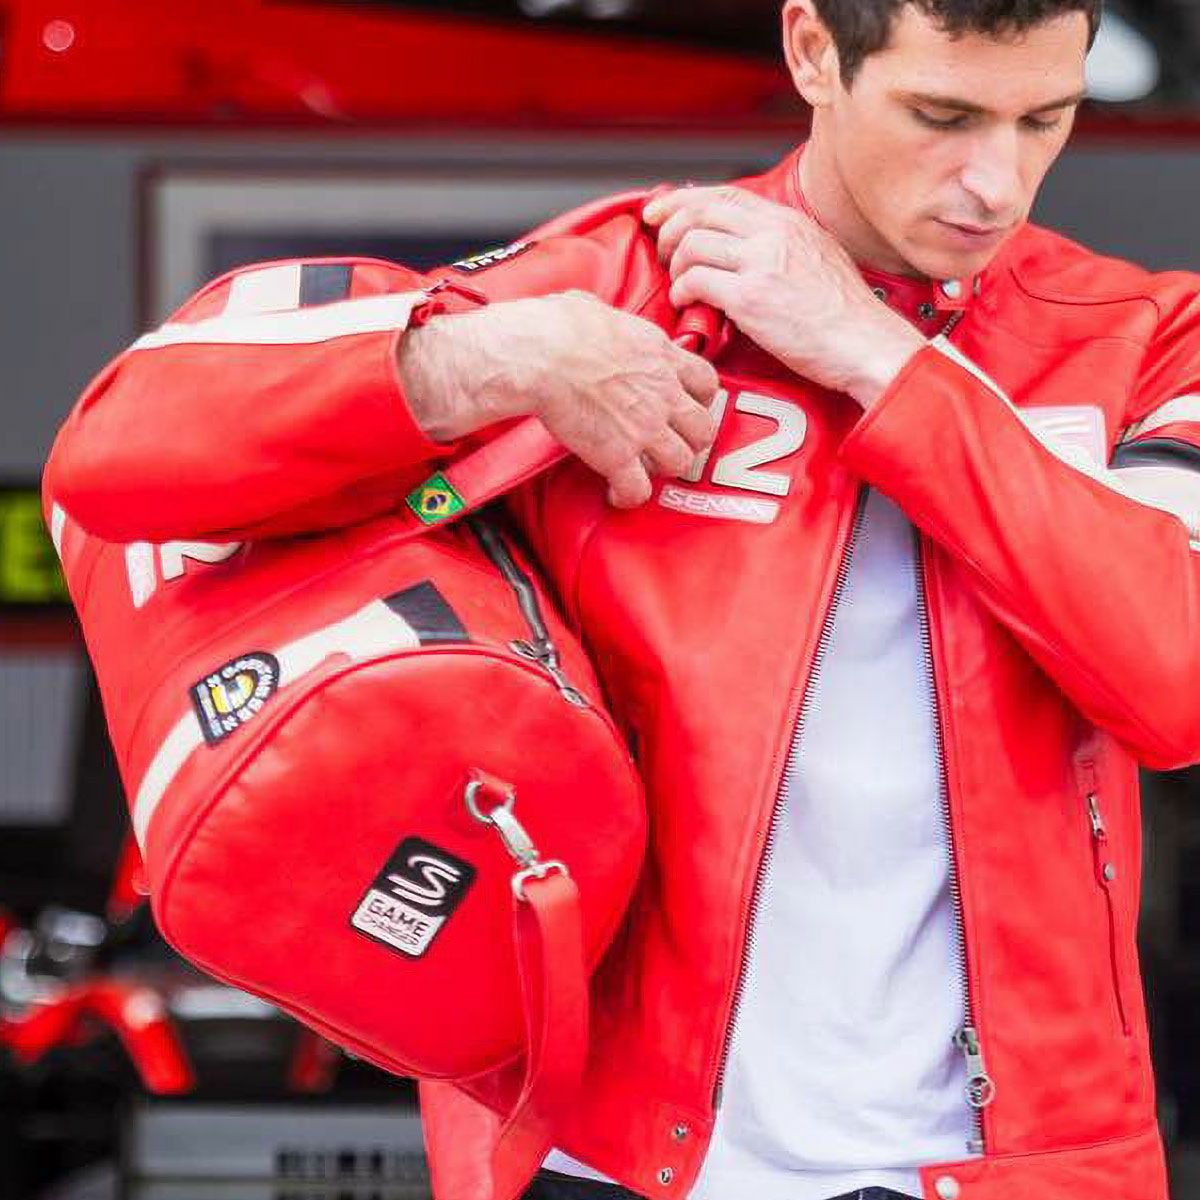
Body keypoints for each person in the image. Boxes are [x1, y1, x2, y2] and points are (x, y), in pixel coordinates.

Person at [43, 0, 1200, 1197]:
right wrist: (495, 359)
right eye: (942, 115)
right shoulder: (628, 286)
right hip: (616, 1156)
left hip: (1029, 1165)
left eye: (1043, 119)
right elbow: (118, 454)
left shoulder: (1148, 337)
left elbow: (1174, 675)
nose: (995, 183)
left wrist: (876, 356)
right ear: (814, 52)